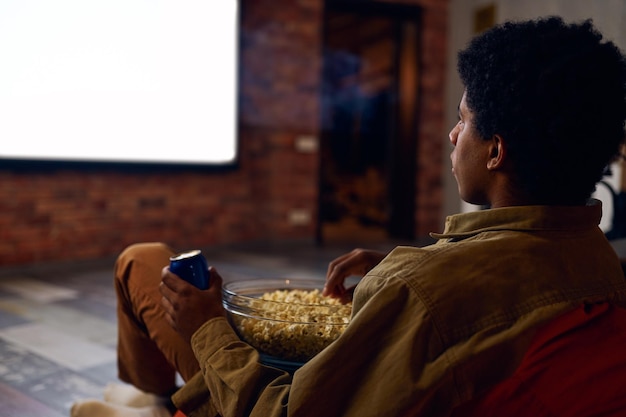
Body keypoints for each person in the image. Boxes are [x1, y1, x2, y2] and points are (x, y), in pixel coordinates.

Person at [71, 16, 626, 417]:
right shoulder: (601, 263)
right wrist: (401, 271)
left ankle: (161, 404)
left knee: (142, 262)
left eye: (463, 121)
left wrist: (207, 328)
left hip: (258, 401)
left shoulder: (421, 291)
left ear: (496, 151)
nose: (452, 136)